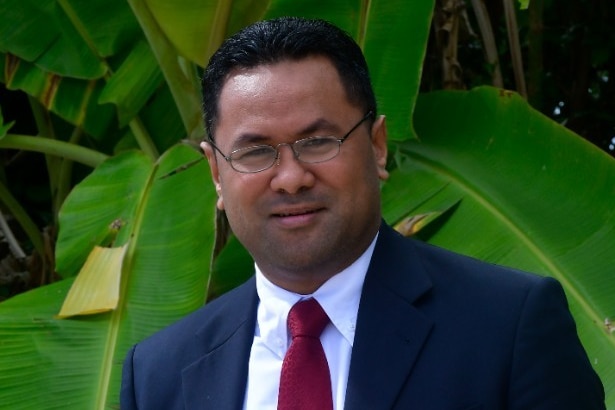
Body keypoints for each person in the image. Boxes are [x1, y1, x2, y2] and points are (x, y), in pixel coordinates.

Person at [120, 17, 605, 409]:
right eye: (255, 152)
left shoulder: (507, 329)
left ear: (376, 146)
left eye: (318, 142)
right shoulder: (160, 373)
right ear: (216, 174)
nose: (290, 178)